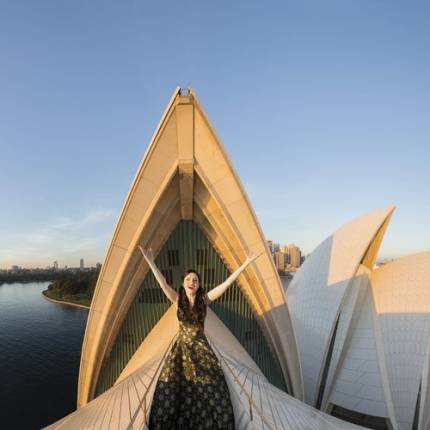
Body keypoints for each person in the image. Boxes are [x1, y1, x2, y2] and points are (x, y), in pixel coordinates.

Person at [138, 246, 261, 430]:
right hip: (181, 352)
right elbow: (163, 283)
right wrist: (150, 262)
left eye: (195, 280)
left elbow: (226, 284)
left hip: (201, 351)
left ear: (199, 284)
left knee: (211, 390)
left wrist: (245, 264)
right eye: (188, 279)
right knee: (173, 390)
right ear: (183, 283)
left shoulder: (204, 300)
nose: (191, 282)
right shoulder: (177, 299)